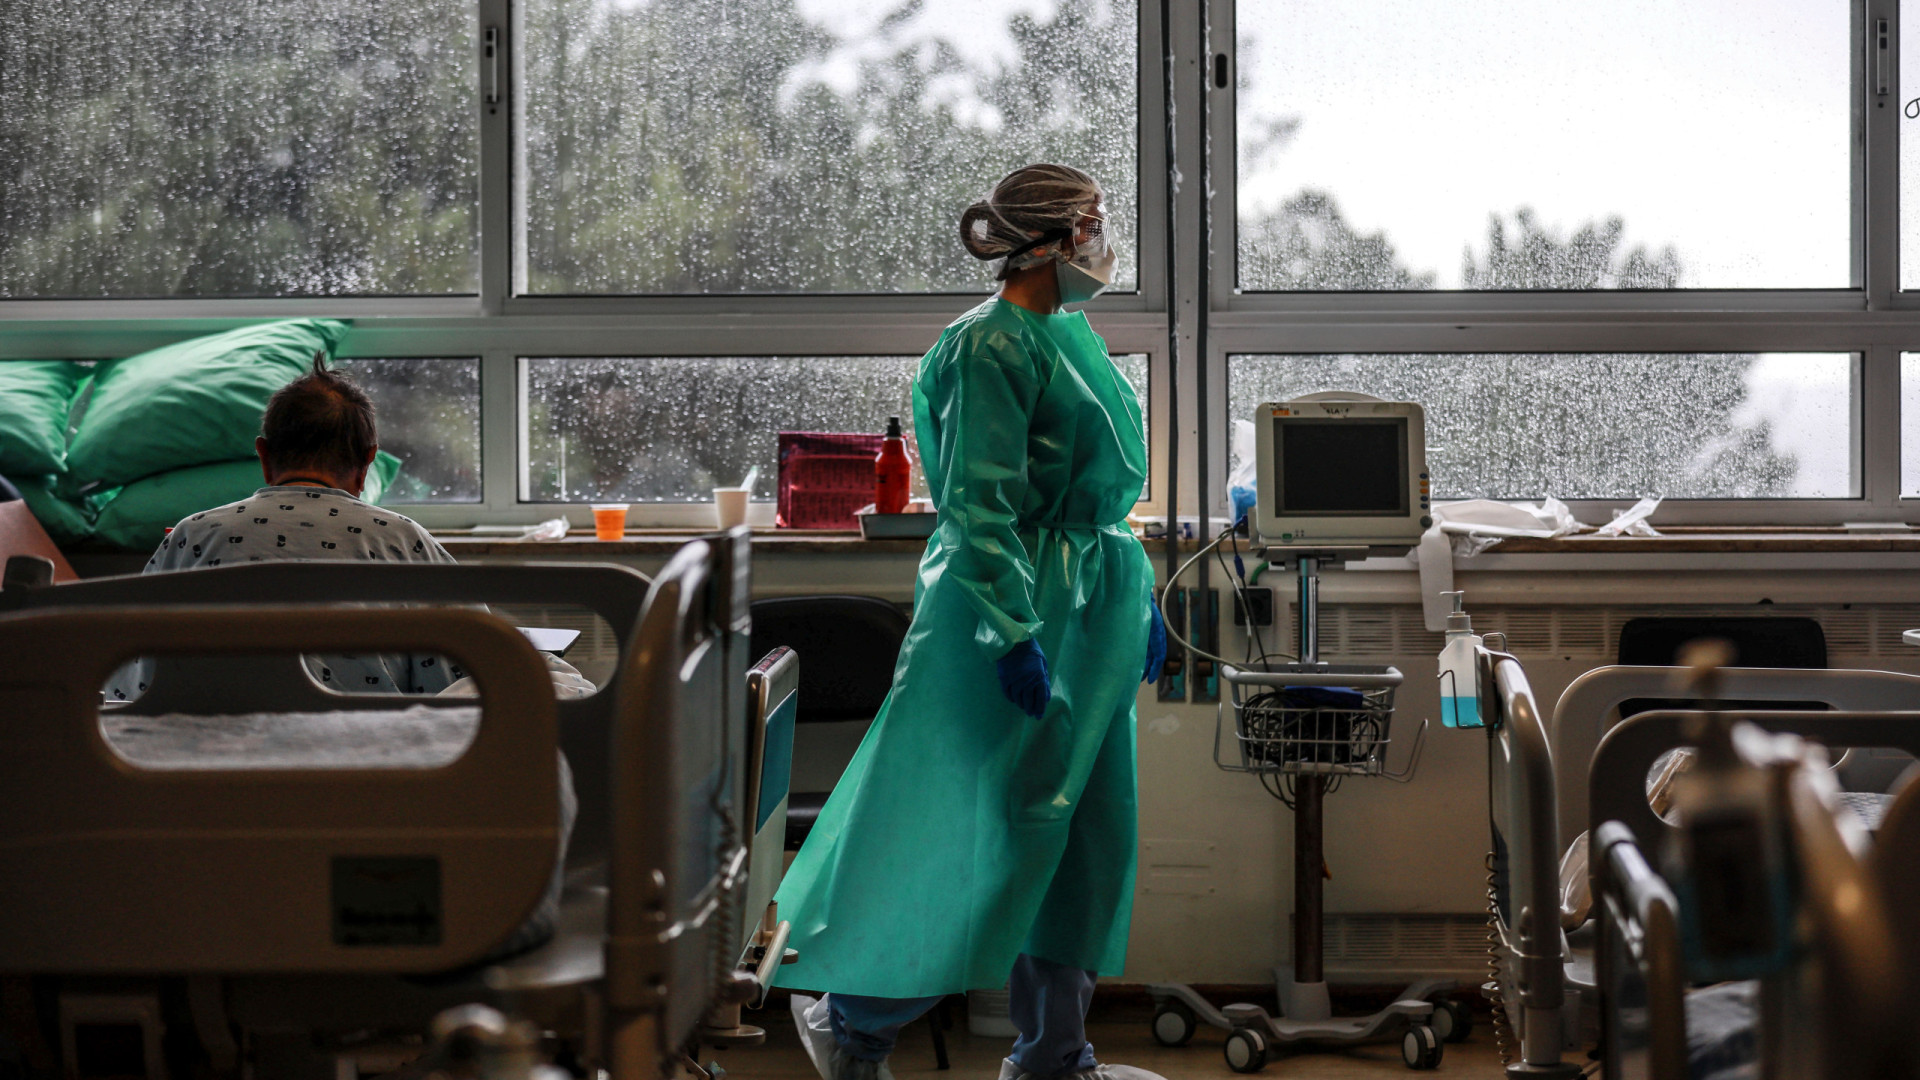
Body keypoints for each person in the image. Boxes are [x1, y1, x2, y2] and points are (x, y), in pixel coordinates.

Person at [773, 163, 1169, 1080]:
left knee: (1083, 834)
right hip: (1016, 608)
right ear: (1053, 237)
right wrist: (1009, 628)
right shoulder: (985, 346)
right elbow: (979, 508)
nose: (1104, 240)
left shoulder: (1072, 334)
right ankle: (854, 1018)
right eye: (1094, 223)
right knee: (979, 837)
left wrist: (1136, 592)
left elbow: (1099, 494)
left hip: (1094, 600)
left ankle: (1054, 1055)